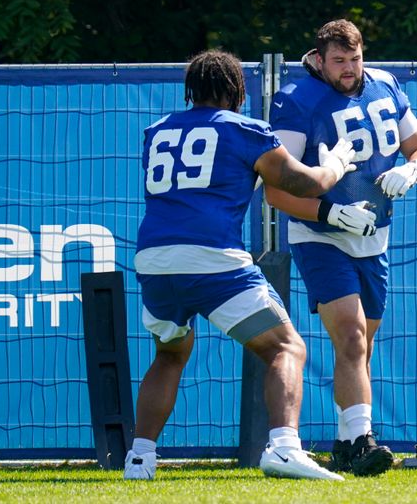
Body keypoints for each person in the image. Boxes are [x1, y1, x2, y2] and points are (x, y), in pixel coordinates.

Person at [123, 49, 357, 481]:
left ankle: (140, 457)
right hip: (212, 255)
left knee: (170, 354)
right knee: (286, 348)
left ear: (192, 89)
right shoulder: (245, 129)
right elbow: (303, 183)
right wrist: (337, 164)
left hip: (154, 258)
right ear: (236, 90)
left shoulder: (156, 131)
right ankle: (285, 448)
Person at [266, 19, 417, 477]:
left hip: (374, 236)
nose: (349, 69)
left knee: (362, 346)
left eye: (355, 58)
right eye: (339, 60)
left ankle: (344, 441)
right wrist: (330, 213)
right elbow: (276, 191)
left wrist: (414, 171)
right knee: (352, 334)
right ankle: (364, 440)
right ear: (318, 59)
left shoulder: (384, 84)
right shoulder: (297, 100)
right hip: (320, 236)